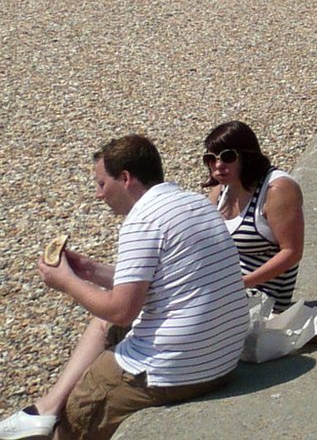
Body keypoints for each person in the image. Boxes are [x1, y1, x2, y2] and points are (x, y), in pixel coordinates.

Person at [4, 135, 246, 440]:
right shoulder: (195, 203)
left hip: (178, 371)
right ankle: (45, 409)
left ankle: (54, 418)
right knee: (100, 322)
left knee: (78, 412)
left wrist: (66, 282)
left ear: (126, 178)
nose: (98, 195)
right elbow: (157, 280)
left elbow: (122, 311)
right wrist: (89, 270)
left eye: (102, 184)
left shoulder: (142, 221)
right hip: (221, 356)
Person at [200, 122, 304, 311]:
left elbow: (292, 251)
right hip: (226, 290)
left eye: (227, 157)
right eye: (210, 159)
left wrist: (242, 283)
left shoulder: (277, 190)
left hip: (262, 300)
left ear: (246, 157)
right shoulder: (221, 190)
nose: (218, 165)